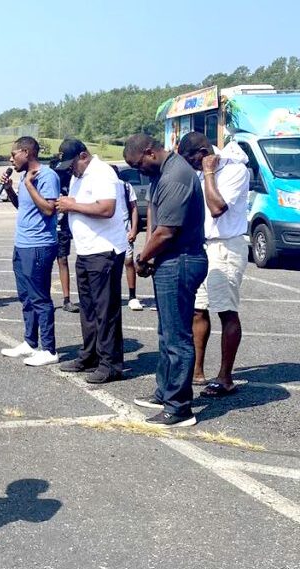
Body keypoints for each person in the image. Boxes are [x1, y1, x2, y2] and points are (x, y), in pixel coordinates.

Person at [125, 133, 207, 427]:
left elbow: (166, 232)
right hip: (169, 260)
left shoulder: (176, 176)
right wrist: (149, 256)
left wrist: (143, 257)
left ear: (150, 152)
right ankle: (165, 392)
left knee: (177, 338)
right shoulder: (162, 173)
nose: (138, 171)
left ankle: (179, 408)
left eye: (138, 164)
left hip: (182, 260)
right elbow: (155, 224)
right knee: (166, 333)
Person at [177, 132, 250, 398]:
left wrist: (208, 174)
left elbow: (217, 206)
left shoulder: (235, 170)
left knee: (226, 311)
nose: (191, 166)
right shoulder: (197, 170)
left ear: (204, 152)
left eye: (192, 160)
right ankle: (197, 370)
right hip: (203, 245)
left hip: (226, 246)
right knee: (198, 310)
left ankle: (225, 376)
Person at [54, 139, 128, 383]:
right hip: (86, 251)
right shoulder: (79, 176)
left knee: (105, 311)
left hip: (104, 250)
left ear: (83, 156)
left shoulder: (102, 173)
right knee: (88, 309)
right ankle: (90, 356)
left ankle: (111, 364)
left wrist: (72, 205)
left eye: (71, 163)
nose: (70, 169)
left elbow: (107, 208)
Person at [0, 136, 61, 367]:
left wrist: (28, 186)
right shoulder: (26, 177)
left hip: (39, 245)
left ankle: (49, 349)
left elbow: (48, 210)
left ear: (26, 152)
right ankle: (30, 342)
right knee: (26, 297)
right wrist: (10, 190)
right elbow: (23, 207)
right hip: (22, 244)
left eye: (14, 155)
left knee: (40, 298)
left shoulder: (45, 176)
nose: (11, 159)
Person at [113, 164, 146, 311]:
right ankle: (112, 295)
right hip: (109, 230)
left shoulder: (125, 187)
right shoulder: (100, 187)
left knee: (128, 261)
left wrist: (133, 229)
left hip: (124, 228)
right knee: (110, 264)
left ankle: (132, 296)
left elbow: (134, 208)